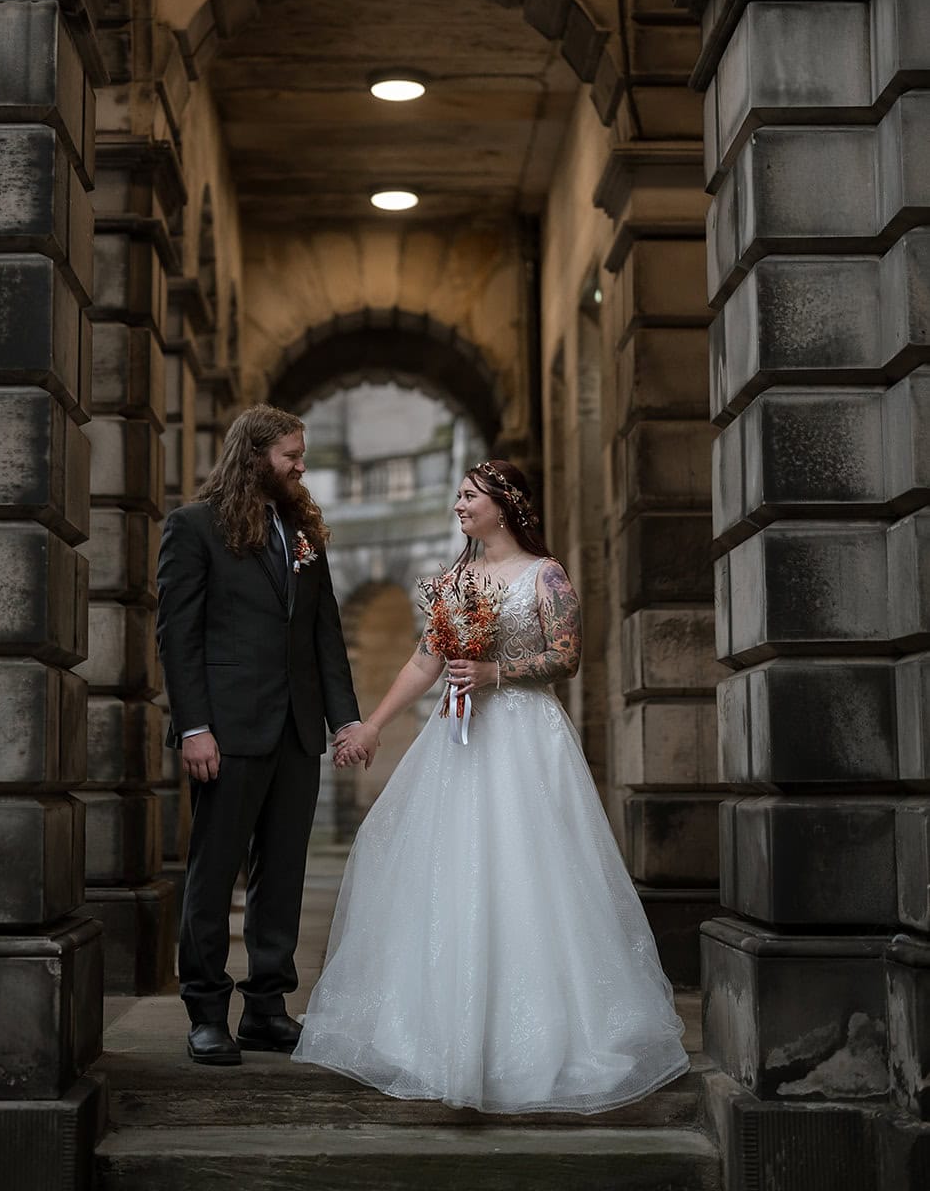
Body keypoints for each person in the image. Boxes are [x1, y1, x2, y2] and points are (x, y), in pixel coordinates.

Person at [292, 458, 689, 1114]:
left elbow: (566, 654)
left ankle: (544, 1035)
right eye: (456, 495)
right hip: (457, 743)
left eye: (467, 496)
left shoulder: (546, 574)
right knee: (449, 875)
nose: (457, 505)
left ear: (501, 505)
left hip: (525, 739)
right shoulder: (454, 580)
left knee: (530, 875)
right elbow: (425, 662)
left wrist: (495, 674)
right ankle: (437, 1034)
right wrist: (369, 726)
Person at [156, 403, 364, 1066]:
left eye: (301, 456)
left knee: (283, 875)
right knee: (213, 875)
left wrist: (345, 718)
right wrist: (194, 727)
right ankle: (206, 1012)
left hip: (297, 732)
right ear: (253, 457)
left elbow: (324, 636)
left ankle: (267, 1011)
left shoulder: (302, 534)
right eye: (292, 456)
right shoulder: (192, 528)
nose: (302, 467)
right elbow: (177, 638)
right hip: (226, 730)